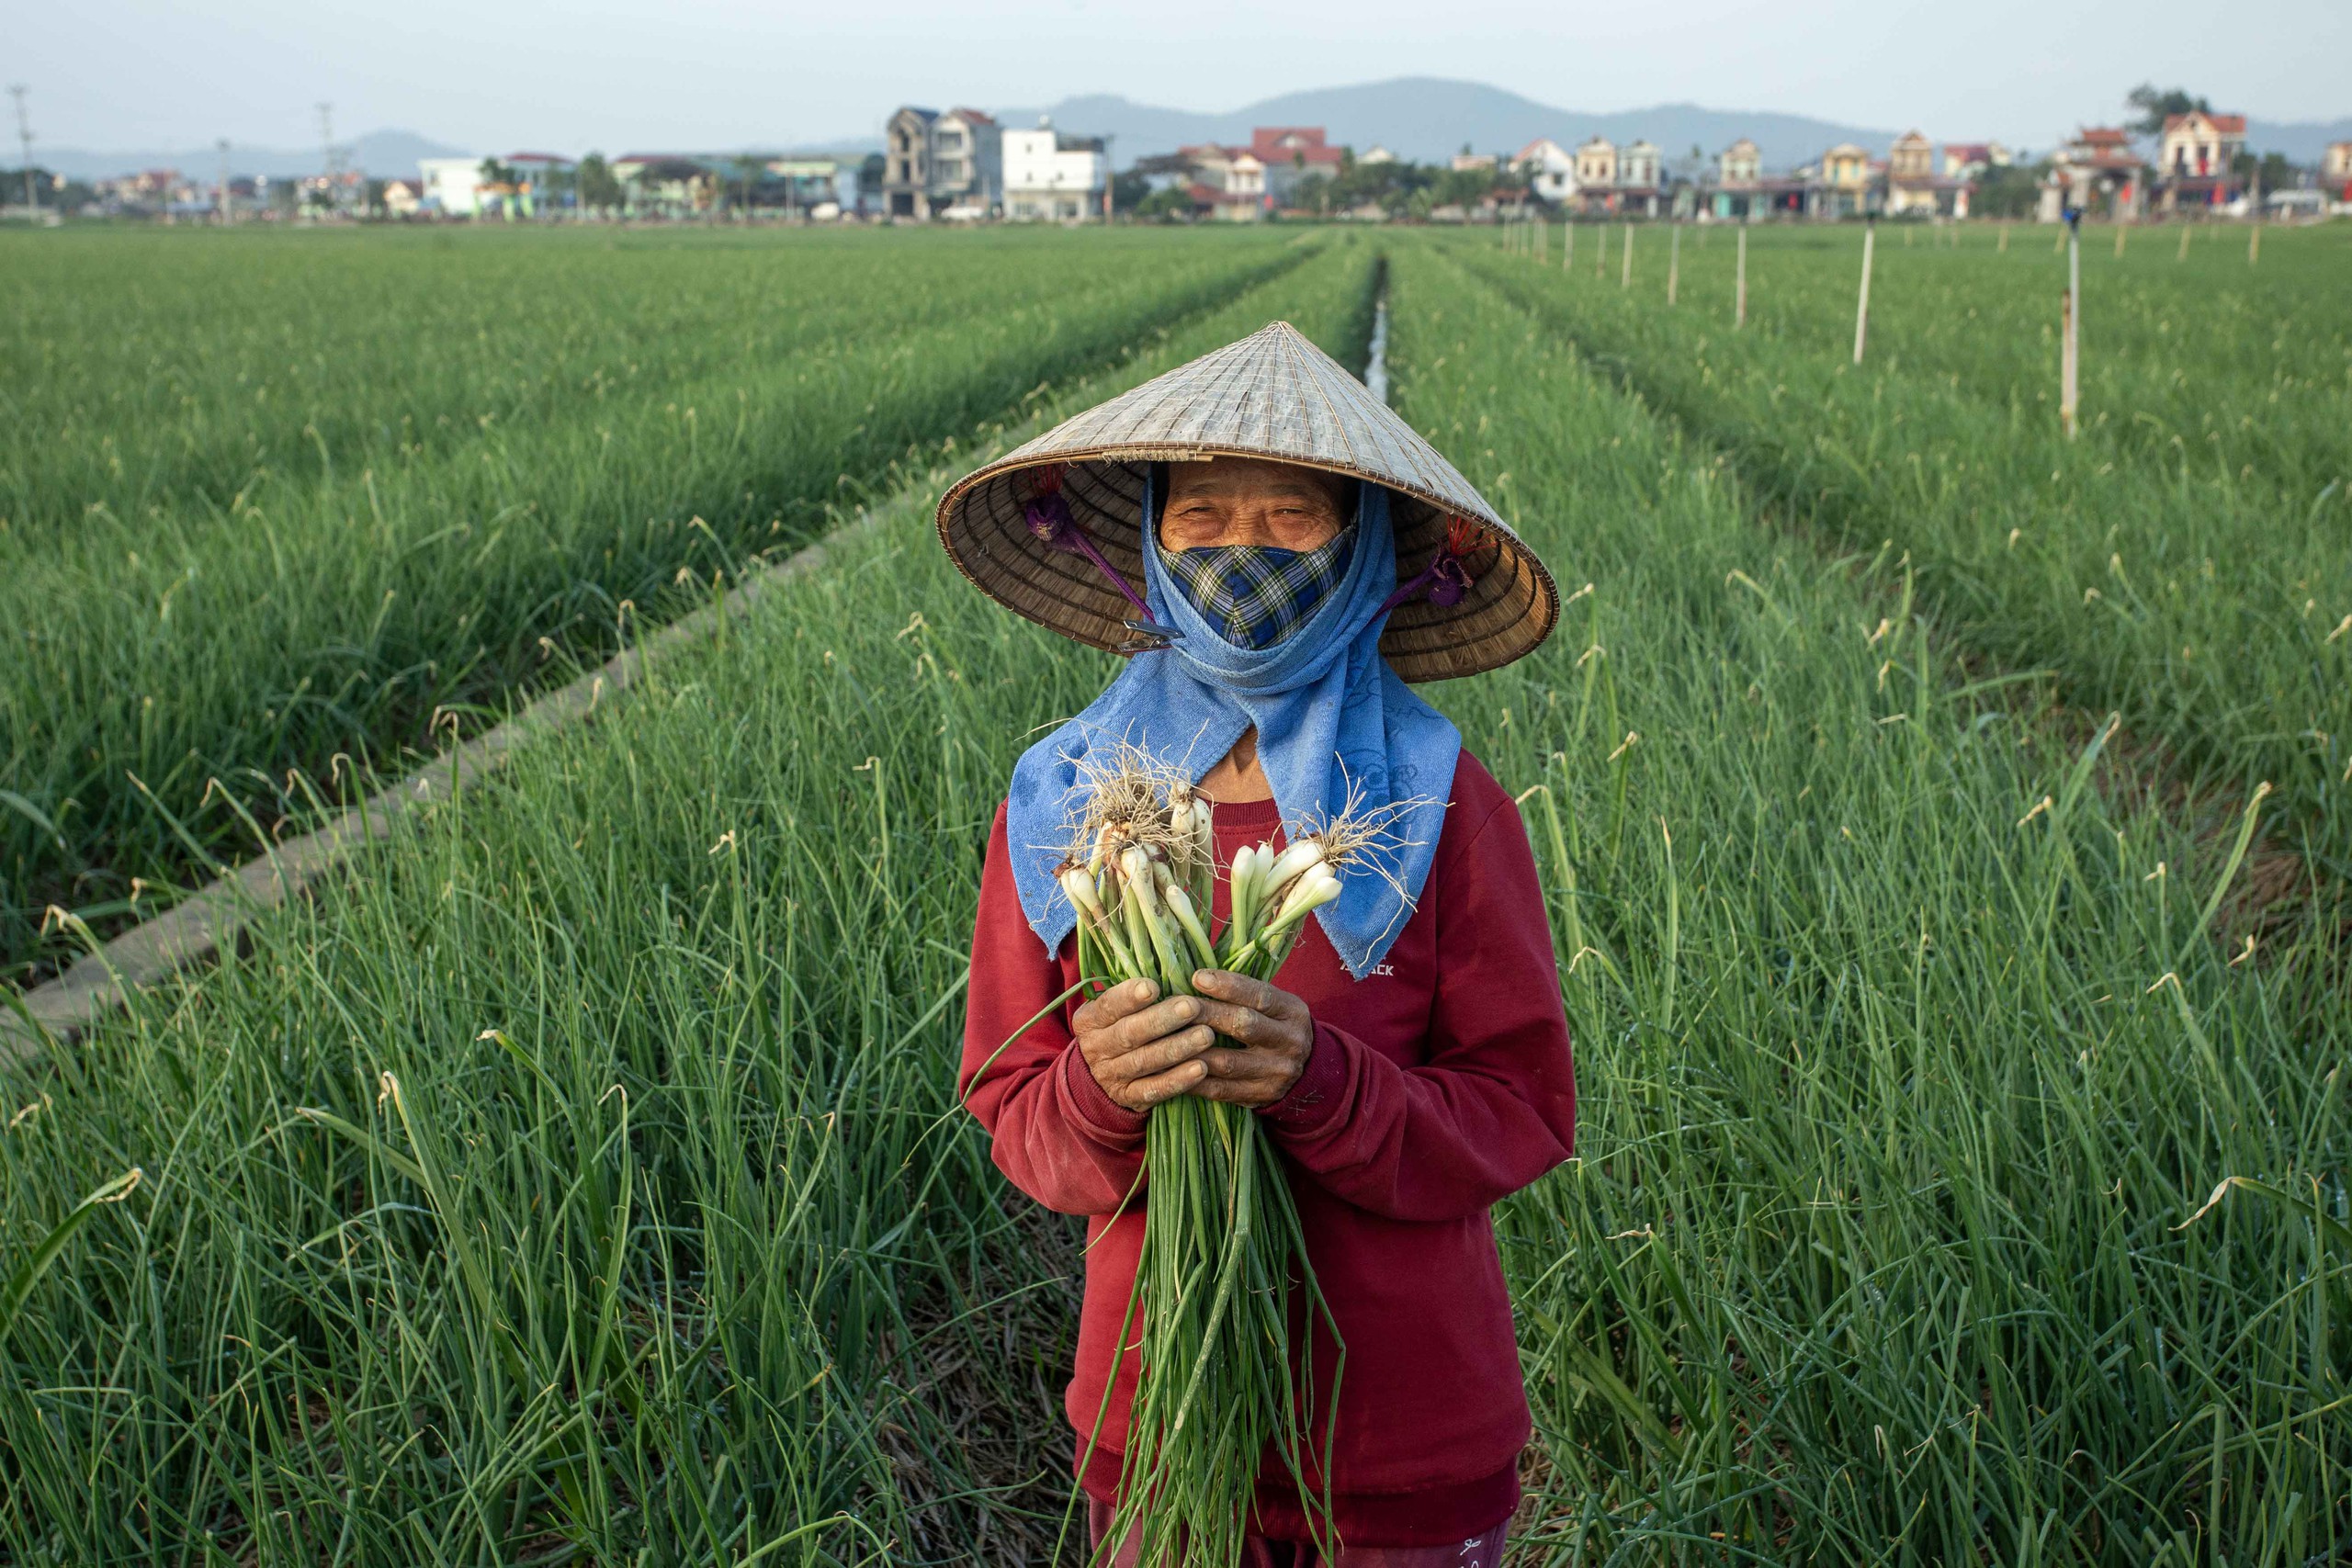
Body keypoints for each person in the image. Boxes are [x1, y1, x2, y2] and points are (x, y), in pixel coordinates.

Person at [937, 322, 1576, 1564]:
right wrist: (1104, 1087)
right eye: (1203, 515)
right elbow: (1014, 1110)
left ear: (1363, 551)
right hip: (1158, 1421)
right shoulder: (1069, 799)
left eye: (1292, 517)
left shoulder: (1438, 800)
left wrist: (1322, 1083)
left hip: (1401, 1437)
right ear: (1150, 541)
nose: (1242, 549)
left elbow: (1521, 1112)